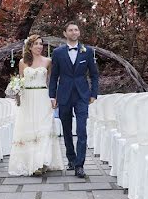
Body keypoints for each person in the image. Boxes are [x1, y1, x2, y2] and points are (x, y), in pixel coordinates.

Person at [48, 21, 99, 177]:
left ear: (79, 33)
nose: (74, 32)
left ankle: (80, 165)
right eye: (70, 30)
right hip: (64, 94)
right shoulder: (57, 53)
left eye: (76, 29)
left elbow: (94, 75)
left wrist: (93, 94)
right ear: (65, 33)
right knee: (67, 129)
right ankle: (71, 158)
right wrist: (52, 95)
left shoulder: (87, 51)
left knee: (82, 130)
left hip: (82, 95)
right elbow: (54, 76)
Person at [8, 34, 64, 176]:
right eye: (36, 44)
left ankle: (42, 161)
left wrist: (54, 97)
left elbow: (52, 81)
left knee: (44, 128)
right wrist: (17, 94)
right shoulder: (22, 62)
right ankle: (30, 162)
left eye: (41, 44)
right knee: (29, 128)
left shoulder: (48, 61)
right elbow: (20, 81)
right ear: (30, 46)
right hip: (27, 98)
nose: (39, 46)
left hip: (43, 97)